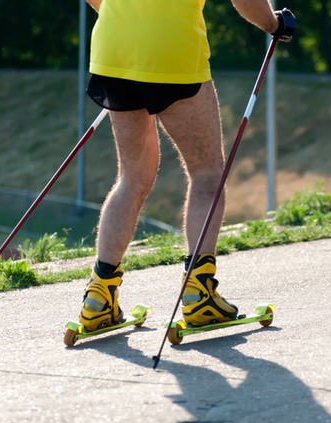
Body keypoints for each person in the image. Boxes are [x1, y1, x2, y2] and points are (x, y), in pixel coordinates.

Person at [77, 0, 295, 332]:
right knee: (207, 173)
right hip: (172, 51)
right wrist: (274, 25)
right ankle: (199, 295)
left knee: (132, 178)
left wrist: (126, 17)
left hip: (113, 46)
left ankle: (98, 299)